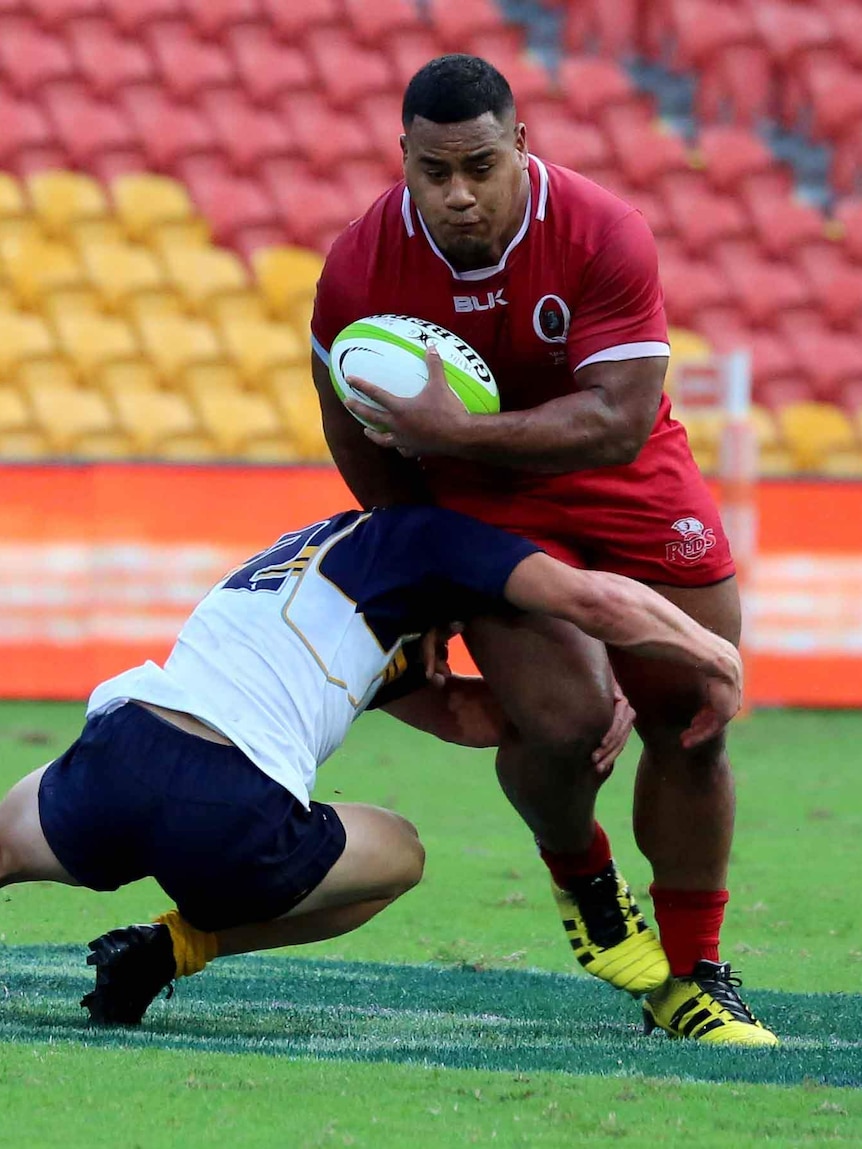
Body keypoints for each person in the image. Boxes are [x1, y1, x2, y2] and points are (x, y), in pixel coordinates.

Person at [310, 55, 778, 1045]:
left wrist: (453, 434)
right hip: (481, 502)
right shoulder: (358, 267)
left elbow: (616, 421)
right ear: (403, 159)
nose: (457, 195)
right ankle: (587, 885)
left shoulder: (603, 231)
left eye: (478, 165)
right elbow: (353, 433)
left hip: (625, 475)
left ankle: (695, 973)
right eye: (432, 172)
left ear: (521, 144)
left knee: (690, 714)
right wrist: (422, 578)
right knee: (562, 725)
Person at [0, 504, 743, 1029]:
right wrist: (715, 655)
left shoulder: (328, 556)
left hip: (120, 746)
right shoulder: (431, 536)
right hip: (230, 805)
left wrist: (573, 706)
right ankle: (176, 946)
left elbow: (466, 715)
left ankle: (146, 940)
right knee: (400, 851)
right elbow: (589, 597)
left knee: (9, 835)